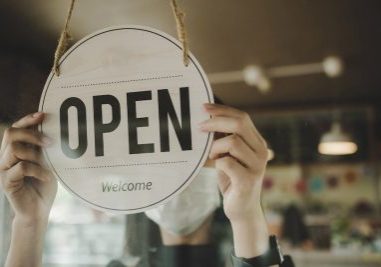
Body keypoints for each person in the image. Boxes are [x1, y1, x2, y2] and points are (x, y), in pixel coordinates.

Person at [0, 103, 293, 267]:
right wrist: (29, 223)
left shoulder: (250, 251)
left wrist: (246, 216)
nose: (177, 171)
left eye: (194, 154)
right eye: (158, 154)